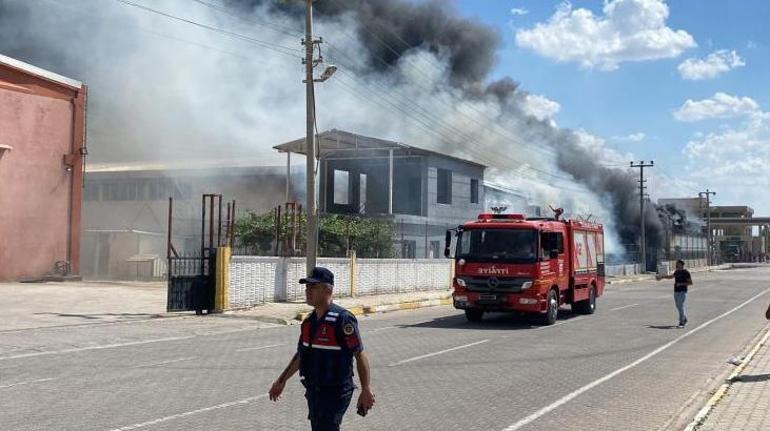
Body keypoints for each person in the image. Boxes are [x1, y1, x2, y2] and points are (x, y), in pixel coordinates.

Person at [269, 267, 375, 430]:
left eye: (314, 287)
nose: (308, 291)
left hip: (336, 391)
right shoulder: (309, 321)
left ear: (327, 289)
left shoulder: (342, 319)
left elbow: (359, 354)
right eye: (307, 287)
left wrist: (366, 389)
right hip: (314, 390)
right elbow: (301, 355)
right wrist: (281, 380)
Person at [656, 260, 693, 327]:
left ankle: (682, 322)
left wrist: (681, 284)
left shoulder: (686, 272)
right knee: (678, 306)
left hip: (682, 291)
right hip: (676, 291)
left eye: (677, 264)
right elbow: (671, 277)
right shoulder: (677, 271)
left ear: (681, 264)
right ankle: (684, 319)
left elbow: (690, 283)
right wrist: (662, 277)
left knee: (680, 305)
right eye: (676, 264)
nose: (676, 265)